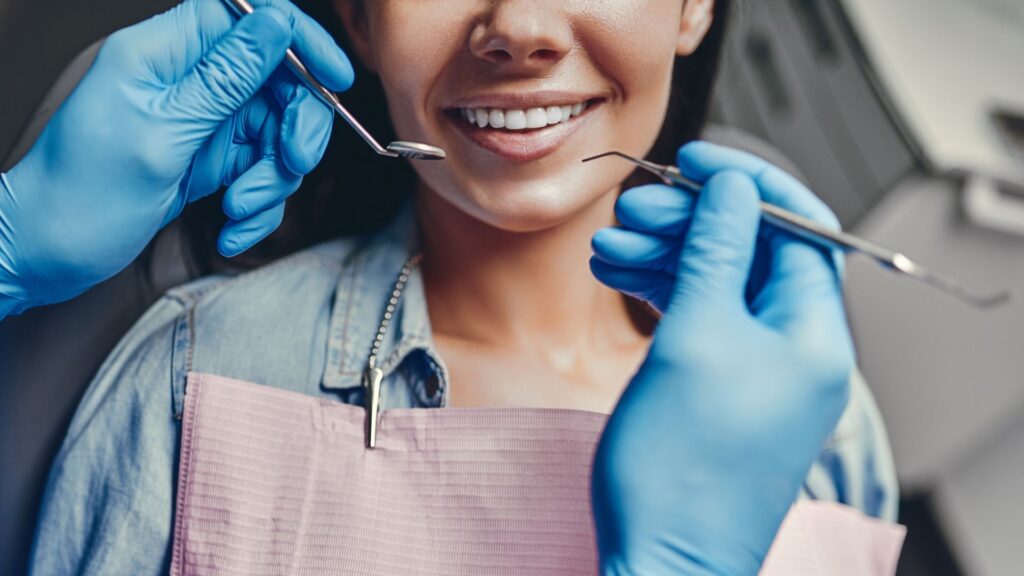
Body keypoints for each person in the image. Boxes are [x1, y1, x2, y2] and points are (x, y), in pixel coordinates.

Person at [2, 0, 898, 574]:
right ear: (358, 16)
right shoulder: (200, 375)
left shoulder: (820, 410)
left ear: (693, 6)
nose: (520, 26)